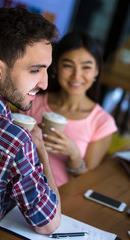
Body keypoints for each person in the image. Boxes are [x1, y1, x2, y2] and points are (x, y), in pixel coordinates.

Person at [0, 7, 61, 235]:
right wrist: (40, 148)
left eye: (46, 70)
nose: (44, 84)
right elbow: (48, 223)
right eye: (35, 70)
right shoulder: (15, 140)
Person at [22, 31, 118, 187]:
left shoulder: (102, 122)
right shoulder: (31, 101)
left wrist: (74, 154)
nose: (76, 76)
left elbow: (87, 182)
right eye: (68, 65)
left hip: (62, 200)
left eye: (86, 67)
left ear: (96, 71)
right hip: (20, 192)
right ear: (55, 68)